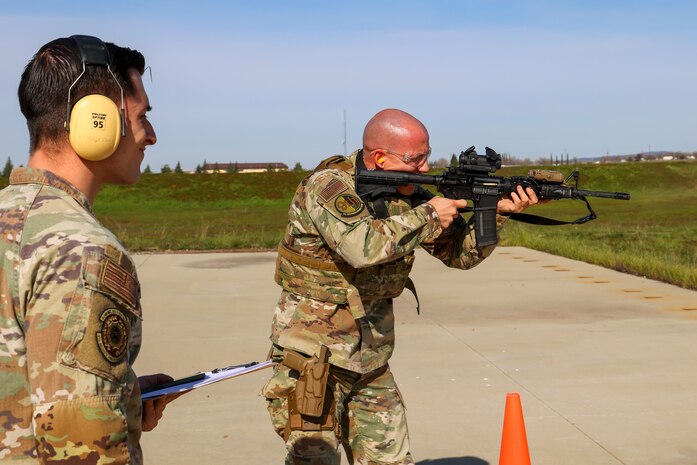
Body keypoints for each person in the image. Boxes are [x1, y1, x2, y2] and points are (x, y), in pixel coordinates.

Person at [261, 108, 544, 465]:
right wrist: (428, 216)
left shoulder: (409, 193)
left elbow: (460, 255)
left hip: (371, 361)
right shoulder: (330, 186)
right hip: (313, 360)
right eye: (416, 159)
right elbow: (361, 246)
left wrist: (495, 211)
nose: (426, 168)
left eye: (427, 155)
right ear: (380, 157)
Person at [0, 35, 175, 464]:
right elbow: (80, 446)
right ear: (96, 120)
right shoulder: (83, 251)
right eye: (141, 116)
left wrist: (123, 395)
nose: (150, 135)